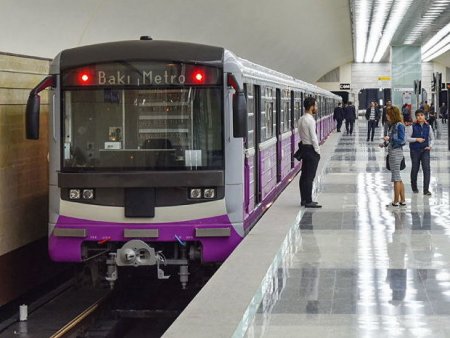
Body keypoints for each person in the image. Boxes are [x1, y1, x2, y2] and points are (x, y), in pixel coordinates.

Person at [298, 97, 322, 208]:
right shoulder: (310, 120)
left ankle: (303, 199)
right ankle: (308, 201)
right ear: (312, 107)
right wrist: (318, 151)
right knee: (309, 177)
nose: (316, 108)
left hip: (304, 149)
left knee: (304, 176)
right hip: (311, 150)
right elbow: (314, 138)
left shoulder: (301, 119)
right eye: (315, 106)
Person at [381, 106, 406, 207]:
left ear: (393, 115)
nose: (386, 116)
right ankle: (403, 200)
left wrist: (390, 138)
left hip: (396, 153)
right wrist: (385, 143)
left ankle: (395, 201)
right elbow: (392, 140)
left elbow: (402, 141)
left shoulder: (399, 125)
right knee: (398, 178)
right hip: (393, 152)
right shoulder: (393, 125)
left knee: (396, 178)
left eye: (388, 114)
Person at [407, 109, 434, 196]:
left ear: (425, 116)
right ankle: (414, 187)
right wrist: (416, 139)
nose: (420, 117)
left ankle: (426, 190)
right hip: (415, 150)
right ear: (416, 117)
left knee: (426, 169)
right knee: (415, 168)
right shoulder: (412, 126)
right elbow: (407, 138)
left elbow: (432, 138)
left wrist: (430, 146)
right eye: (418, 115)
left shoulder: (428, 126)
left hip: (425, 150)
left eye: (422, 115)